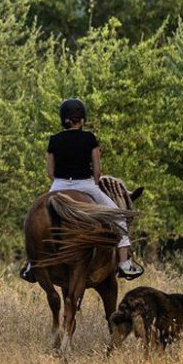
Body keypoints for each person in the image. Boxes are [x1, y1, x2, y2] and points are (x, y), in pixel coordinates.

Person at [28, 98, 144, 280]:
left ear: (63, 119)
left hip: (58, 184)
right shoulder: (90, 138)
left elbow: (50, 172)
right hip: (86, 185)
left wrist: (61, 182)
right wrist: (93, 182)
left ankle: (31, 263)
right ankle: (124, 264)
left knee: (35, 217)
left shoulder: (54, 140)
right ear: (81, 119)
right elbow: (97, 172)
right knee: (119, 217)